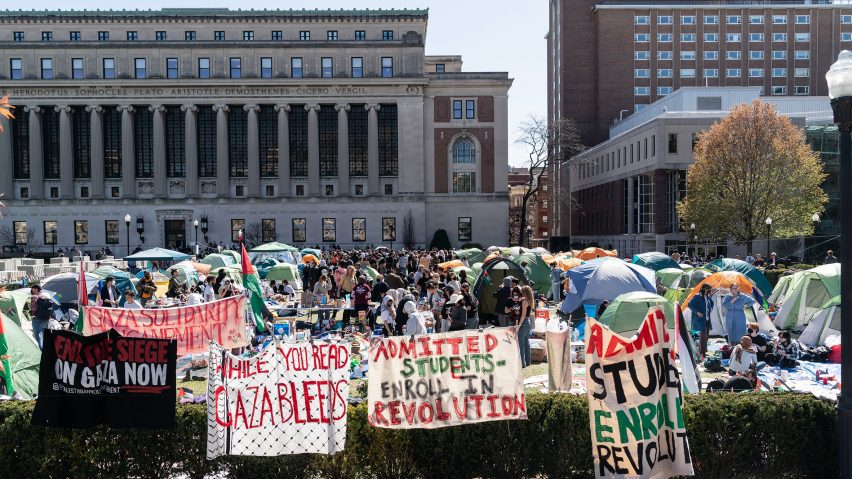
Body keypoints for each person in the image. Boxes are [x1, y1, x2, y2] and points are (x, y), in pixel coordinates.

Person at [687, 284, 715, 357]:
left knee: (706, 336)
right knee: (703, 336)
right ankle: (703, 352)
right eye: (708, 289)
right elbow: (690, 304)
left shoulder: (707, 296)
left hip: (707, 319)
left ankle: (704, 350)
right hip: (701, 320)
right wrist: (697, 312)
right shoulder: (697, 297)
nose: (709, 291)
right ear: (704, 289)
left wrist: (711, 308)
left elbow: (712, 303)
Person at [28, 284, 54, 349]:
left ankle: (41, 352)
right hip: (46, 318)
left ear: (36, 289)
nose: (32, 290)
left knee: (38, 337)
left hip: (37, 318)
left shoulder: (34, 297)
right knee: (45, 336)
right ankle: (47, 351)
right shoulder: (46, 296)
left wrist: (30, 307)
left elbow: (33, 309)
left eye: (33, 288)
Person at [516, 285, 534, 368]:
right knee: (526, 343)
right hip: (528, 322)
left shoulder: (524, 301)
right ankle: (528, 361)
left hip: (524, 322)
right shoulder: (530, 300)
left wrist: (518, 326)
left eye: (521, 292)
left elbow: (523, 315)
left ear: (524, 293)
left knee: (521, 343)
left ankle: (522, 363)